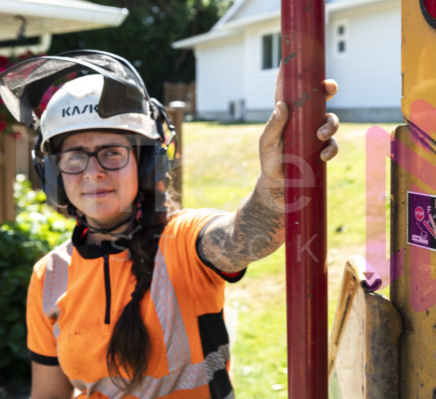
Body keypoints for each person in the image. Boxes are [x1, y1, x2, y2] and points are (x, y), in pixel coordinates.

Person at [14, 53, 339, 398]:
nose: (94, 172)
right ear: (54, 174)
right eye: (75, 156)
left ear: (146, 165)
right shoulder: (49, 275)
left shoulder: (182, 239)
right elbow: (48, 394)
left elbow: (244, 238)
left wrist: (276, 183)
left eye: (112, 152)